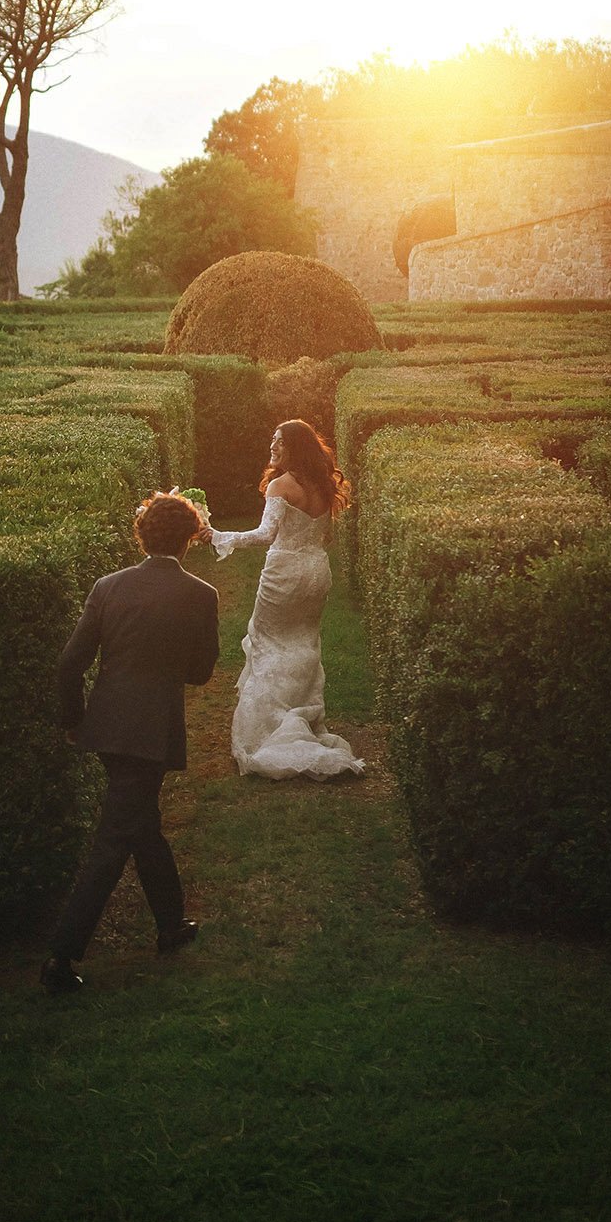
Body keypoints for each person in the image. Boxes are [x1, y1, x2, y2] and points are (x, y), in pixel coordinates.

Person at [41, 490, 220, 996]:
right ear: (188, 539)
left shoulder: (108, 586)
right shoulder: (201, 595)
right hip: (150, 731)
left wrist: (74, 720)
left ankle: (170, 925)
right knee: (114, 841)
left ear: (142, 536)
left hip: (106, 726)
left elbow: (69, 663)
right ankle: (61, 955)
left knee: (142, 825)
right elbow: (202, 673)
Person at [209, 418, 365, 781]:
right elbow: (320, 534)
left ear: (296, 446)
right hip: (316, 572)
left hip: (284, 574)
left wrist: (219, 535)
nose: (272, 447)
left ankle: (268, 726)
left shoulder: (281, 485)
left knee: (268, 642)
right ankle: (303, 711)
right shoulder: (323, 485)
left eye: (279, 442)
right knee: (304, 641)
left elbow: (266, 535)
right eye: (272, 440)